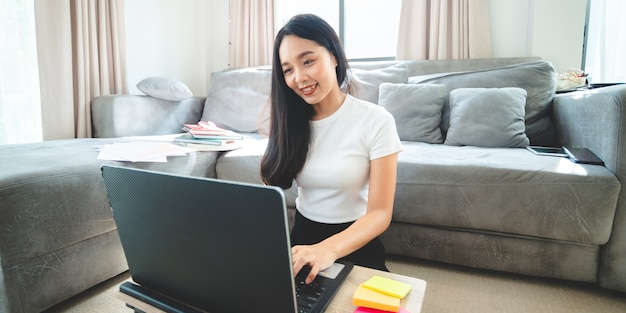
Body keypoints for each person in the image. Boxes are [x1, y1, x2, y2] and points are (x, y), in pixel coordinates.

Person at [260, 14, 402, 284]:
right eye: (288, 69)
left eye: (308, 61)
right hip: (301, 239)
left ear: (334, 56)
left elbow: (380, 213)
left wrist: (329, 249)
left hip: (355, 241)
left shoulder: (376, 120)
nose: (299, 77)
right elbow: (271, 192)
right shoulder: (289, 122)